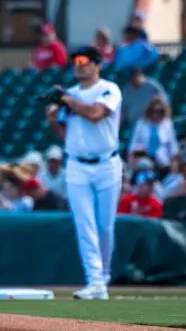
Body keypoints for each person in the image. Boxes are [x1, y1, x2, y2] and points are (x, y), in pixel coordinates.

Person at [45, 46, 122, 300]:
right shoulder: (73, 94)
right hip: (76, 164)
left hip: (106, 164)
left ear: (97, 65)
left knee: (105, 226)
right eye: (75, 61)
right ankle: (95, 281)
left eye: (84, 60)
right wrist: (54, 120)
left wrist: (65, 100)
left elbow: (95, 114)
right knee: (84, 223)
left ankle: (104, 277)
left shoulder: (108, 89)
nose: (79, 64)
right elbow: (68, 135)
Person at [128, 97, 178, 176]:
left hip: (162, 162)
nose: (156, 113)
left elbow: (172, 146)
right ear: (150, 111)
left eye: (159, 111)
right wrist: (132, 161)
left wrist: (174, 163)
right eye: (154, 110)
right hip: (145, 161)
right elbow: (133, 144)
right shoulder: (141, 123)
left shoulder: (167, 124)